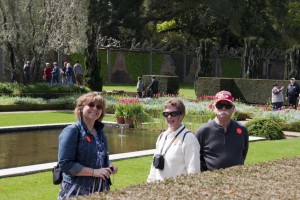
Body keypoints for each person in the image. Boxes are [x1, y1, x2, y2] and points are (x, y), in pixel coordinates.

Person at [57, 92, 118, 199]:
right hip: (77, 189)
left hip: (101, 188)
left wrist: (110, 166)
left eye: (99, 107)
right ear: (81, 108)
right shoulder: (72, 131)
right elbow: (65, 164)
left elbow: (102, 157)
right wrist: (94, 172)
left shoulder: (101, 133)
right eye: (91, 105)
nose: (95, 108)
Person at [147, 98, 200, 182]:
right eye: (166, 114)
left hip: (176, 191)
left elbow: (193, 171)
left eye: (173, 114)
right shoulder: (162, 136)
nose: (169, 117)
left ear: (182, 115)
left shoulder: (188, 138)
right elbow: (154, 168)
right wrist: (149, 184)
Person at [195, 90, 249, 172]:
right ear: (213, 108)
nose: (223, 108)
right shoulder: (203, 131)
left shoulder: (242, 130)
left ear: (233, 108)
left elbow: (243, 154)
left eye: (227, 105)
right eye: (219, 105)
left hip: (237, 179)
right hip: (211, 180)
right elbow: (195, 157)